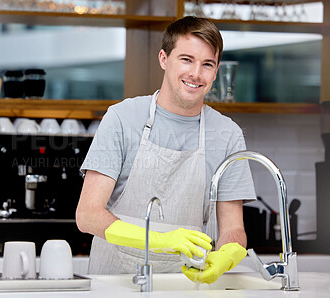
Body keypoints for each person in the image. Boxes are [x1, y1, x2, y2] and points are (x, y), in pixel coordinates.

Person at [76, 16, 256, 284]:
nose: (196, 73)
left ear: (216, 71)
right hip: (116, 283)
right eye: (186, 59)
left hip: (184, 284)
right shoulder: (122, 118)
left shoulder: (227, 134)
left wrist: (227, 255)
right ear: (163, 59)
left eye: (207, 64)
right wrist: (158, 240)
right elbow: (87, 215)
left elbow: (233, 228)